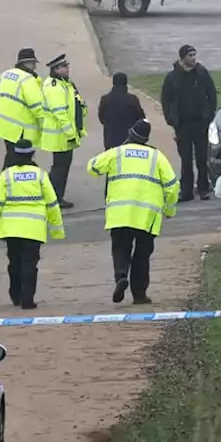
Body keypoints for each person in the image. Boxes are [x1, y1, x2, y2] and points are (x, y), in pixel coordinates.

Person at [86, 119, 178, 304]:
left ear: (130, 134)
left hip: (120, 213)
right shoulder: (156, 156)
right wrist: (169, 209)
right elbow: (172, 185)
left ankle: (121, 276)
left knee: (120, 247)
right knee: (142, 255)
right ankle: (139, 294)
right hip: (147, 216)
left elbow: (92, 167)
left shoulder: (117, 153)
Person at [0, 138, 65, 309]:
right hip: (33, 228)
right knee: (30, 264)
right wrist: (57, 230)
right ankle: (27, 300)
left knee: (14, 262)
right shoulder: (40, 175)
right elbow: (52, 203)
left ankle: (15, 295)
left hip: (11, 229)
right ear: (32, 154)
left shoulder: (6, 175)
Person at [159, 43, 218, 201]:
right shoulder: (173, 77)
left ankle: (204, 188)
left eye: (194, 55)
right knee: (185, 158)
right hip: (183, 124)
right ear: (182, 58)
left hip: (200, 122)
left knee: (201, 157)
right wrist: (170, 119)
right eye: (190, 56)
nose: (193, 59)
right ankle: (186, 191)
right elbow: (166, 99)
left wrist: (209, 114)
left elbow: (211, 93)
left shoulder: (201, 73)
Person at [38, 53, 88, 209]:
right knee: (60, 168)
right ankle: (54, 197)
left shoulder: (65, 84)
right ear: (57, 69)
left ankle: (56, 196)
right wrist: (70, 134)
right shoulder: (54, 87)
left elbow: (76, 103)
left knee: (62, 167)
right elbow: (60, 113)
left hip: (64, 135)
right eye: (65, 67)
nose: (68, 69)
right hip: (60, 136)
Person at [0, 47, 45, 168]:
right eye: (34, 63)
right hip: (20, 129)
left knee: (11, 156)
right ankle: (8, 183)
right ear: (28, 63)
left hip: (4, 126)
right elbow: (36, 105)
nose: (35, 67)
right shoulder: (28, 80)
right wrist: (45, 123)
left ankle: (6, 182)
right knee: (19, 159)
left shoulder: (4, 75)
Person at [97, 72, 146, 150]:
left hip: (110, 138)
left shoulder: (105, 99)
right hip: (128, 139)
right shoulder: (132, 99)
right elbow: (141, 117)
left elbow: (101, 117)